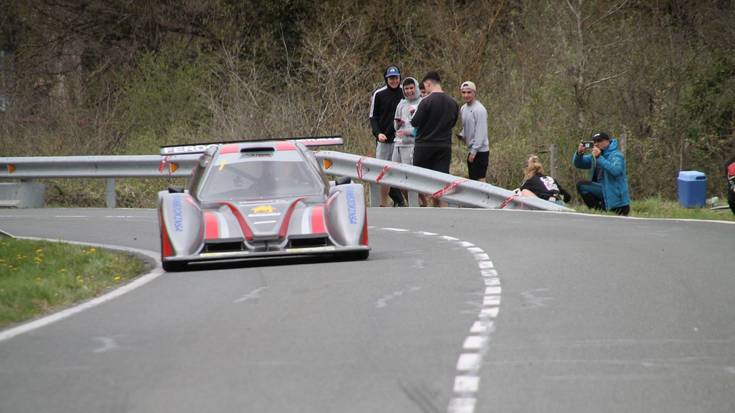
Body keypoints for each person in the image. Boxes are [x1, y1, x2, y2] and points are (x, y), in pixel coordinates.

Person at [411, 71, 459, 206]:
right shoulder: (453, 103)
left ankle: (424, 206)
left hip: (424, 146)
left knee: (419, 180)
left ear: (428, 83)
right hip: (444, 146)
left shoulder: (426, 102)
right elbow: (453, 122)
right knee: (441, 181)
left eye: (425, 86)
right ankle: (441, 209)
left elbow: (414, 122)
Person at [369, 65, 406, 207]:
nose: (394, 81)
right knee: (383, 172)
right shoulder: (379, 94)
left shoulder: (405, 91)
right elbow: (373, 117)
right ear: (386, 79)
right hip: (384, 141)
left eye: (396, 77)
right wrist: (378, 133)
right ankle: (384, 204)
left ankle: (405, 202)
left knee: (401, 172)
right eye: (391, 78)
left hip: (402, 140)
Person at [572, 131, 630, 215]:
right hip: (603, 193)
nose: (597, 143)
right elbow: (579, 164)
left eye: (599, 140)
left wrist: (599, 157)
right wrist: (579, 153)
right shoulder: (595, 156)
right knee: (582, 185)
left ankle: (602, 211)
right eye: (595, 141)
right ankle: (599, 211)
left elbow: (616, 171)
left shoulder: (616, 155)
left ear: (607, 141)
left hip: (618, 202)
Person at [457, 81, 490, 182]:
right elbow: (467, 126)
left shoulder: (480, 109)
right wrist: (462, 135)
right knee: (472, 180)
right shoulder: (463, 108)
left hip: (480, 151)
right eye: (464, 92)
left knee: (480, 179)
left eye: (469, 92)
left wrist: (474, 151)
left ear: (474, 93)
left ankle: (485, 197)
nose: (466, 95)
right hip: (471, 149)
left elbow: (481, 131)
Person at [392, 77, 422, 166]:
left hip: (412, 145)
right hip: (398, 143)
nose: (409, 91)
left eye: (411, 88)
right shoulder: (401, 104)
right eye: (406, 89)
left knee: (407, 174)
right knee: (394, 172)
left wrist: (407, 132)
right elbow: (395, 126)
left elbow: (422, 127)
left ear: (416, 88)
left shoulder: (422, 102)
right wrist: (398, 124)